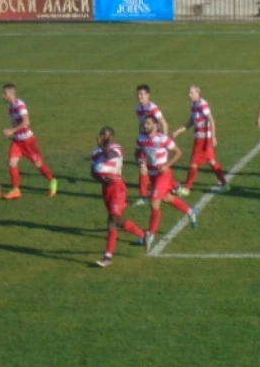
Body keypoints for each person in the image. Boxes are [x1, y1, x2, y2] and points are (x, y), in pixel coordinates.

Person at [136, 116, 198, 253]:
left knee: (154, 203)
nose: (145, 126)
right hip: (152, 173)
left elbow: (178, 153)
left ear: (155, 125)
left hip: (163, 174)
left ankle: (150, 235)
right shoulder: (141, 138)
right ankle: (190, 212)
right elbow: (138, 153)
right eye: (144, 123)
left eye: (148, 123)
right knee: (167, 198)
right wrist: (141, 164)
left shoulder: (163, 139)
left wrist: (167, 165)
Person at [92, 127, 145, 267]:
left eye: (106, 135)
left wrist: (101, 146)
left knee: (112, 220)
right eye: (102, 134)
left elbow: (109, 155)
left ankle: (108, 256)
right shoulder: (96, 152)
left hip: (117, 188)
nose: (103, 137)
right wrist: (99, 178)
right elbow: (93, 170)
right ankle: (144, 235)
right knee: (120, 221)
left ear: (112, 137)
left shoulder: (117, 148)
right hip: (106, 189)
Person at [1, 83, 57, 200]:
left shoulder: (20, 105)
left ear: (11, 94)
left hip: (28, 141)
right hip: (17, 141)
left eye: (4, 93)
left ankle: (52, 180)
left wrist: (12, 130)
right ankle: (16, 190)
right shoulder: (11, 107)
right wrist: (13, 133)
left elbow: (26, 122)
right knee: (12, 163)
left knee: (38, 163)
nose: (3, 96)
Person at [172, 85, 229, 193]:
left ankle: (187, 188)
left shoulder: (202, 105)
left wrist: (213, 137)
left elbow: (212, 120)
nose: (189, 95)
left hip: (204, 140)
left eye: (191, 93)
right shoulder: (194, 106)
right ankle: (225, 184)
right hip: (199, 139)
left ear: (198, 93)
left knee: (194, 163)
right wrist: (178, 131)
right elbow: (190, 123)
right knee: (211, 161)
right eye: (189, 93)